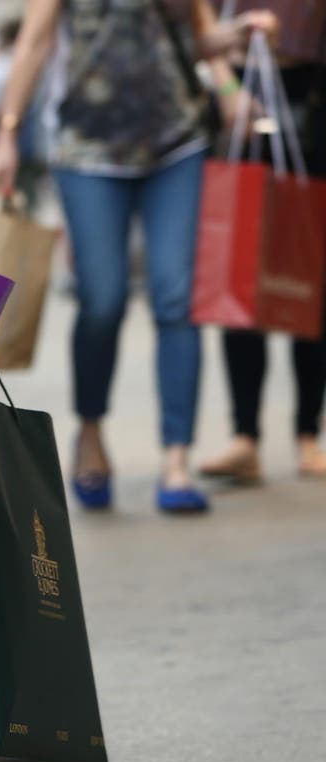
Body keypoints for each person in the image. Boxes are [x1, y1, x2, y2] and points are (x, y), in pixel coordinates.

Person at [0, 0, 276, 515]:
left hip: (176, 142)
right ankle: (91, 431)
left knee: (175, 297)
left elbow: (198, 35)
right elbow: (34, 41)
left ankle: (176, 460)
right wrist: (7, 134)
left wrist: (235, 54)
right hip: (86, 150)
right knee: (103, 300)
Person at [200, 0, 326, 482]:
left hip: (312, 101)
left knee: (309, 270)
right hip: (242, 100)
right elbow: (199, 27)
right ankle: (245, 435)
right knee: (241, 266)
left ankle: (308, 434)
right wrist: (230, 87)